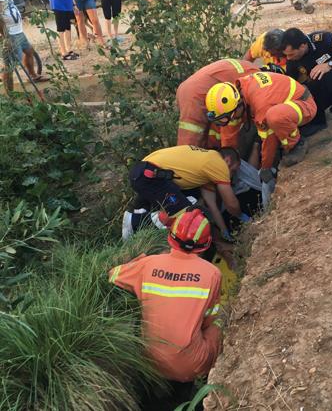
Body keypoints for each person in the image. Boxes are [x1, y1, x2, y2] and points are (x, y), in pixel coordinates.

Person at [110, 208, 222, 408]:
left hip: (151, 362)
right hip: (192, 365)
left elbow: (113, 275)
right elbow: (209, 320)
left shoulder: (148, 264)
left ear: (171, 237)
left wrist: (141, 260)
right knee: (218, 323)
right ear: (205, 245)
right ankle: (206, 386)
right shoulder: (212, 273)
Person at [122, 145, 249, 242]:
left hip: (147, 172)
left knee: (190, 203)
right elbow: (231, 204)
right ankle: (134, 221)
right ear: (227, 161)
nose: (232, 176)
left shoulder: (207, 163)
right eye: (233, 170)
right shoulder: (218, 164)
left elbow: (213, 207)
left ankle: (141, 216)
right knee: (186, 216)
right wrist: (244, 219)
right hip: (150, 175)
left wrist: (224, 232)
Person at [206, 71, 317, 177]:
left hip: (304, 104)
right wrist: (228, 154)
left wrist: (266, 167)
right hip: (289, 106)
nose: (232, 120)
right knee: (273, 117)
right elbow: (229, 131)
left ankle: (296, 144)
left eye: (229, 117)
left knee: (274, 117)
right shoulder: (238, 92)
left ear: (238, 105)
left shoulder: (260, 102)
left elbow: (269, 138)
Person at [176, 58, 260, 148]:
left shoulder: (252, 73)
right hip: (196, 96)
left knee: (212, 128)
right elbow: (231, 123)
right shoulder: (253, 90)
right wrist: (229, 153)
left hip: (192, 88)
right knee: (189, 145)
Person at [0, 0, 47, 93]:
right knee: (10, 65)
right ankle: (10, 95)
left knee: (29, 51)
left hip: (18, 30)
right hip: (9, 33)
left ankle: (32, 75)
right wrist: (5, 34)